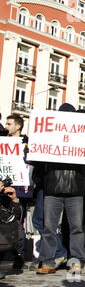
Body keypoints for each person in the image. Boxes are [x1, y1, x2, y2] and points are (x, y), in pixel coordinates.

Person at [36, 103, 85, 275]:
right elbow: (38, 160)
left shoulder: (82, 135)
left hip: (75, 188)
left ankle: (75, 262)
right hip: (53, 187)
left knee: (76, 228)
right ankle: (47, 262)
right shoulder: (49, 135)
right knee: (49, 227)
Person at [4, 114, 29, 271]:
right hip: (5, 187)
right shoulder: (3, 141)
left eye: (9, 123)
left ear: (18, 126)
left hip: (22, 189)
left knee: (19, 222)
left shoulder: (27, 142)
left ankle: (18, 255)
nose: (6, 126)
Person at [0, 180, 23, 279]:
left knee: (12, 228)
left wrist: (14, 199)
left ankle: (17, 255)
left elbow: (14, 218)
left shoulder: (4, 198)